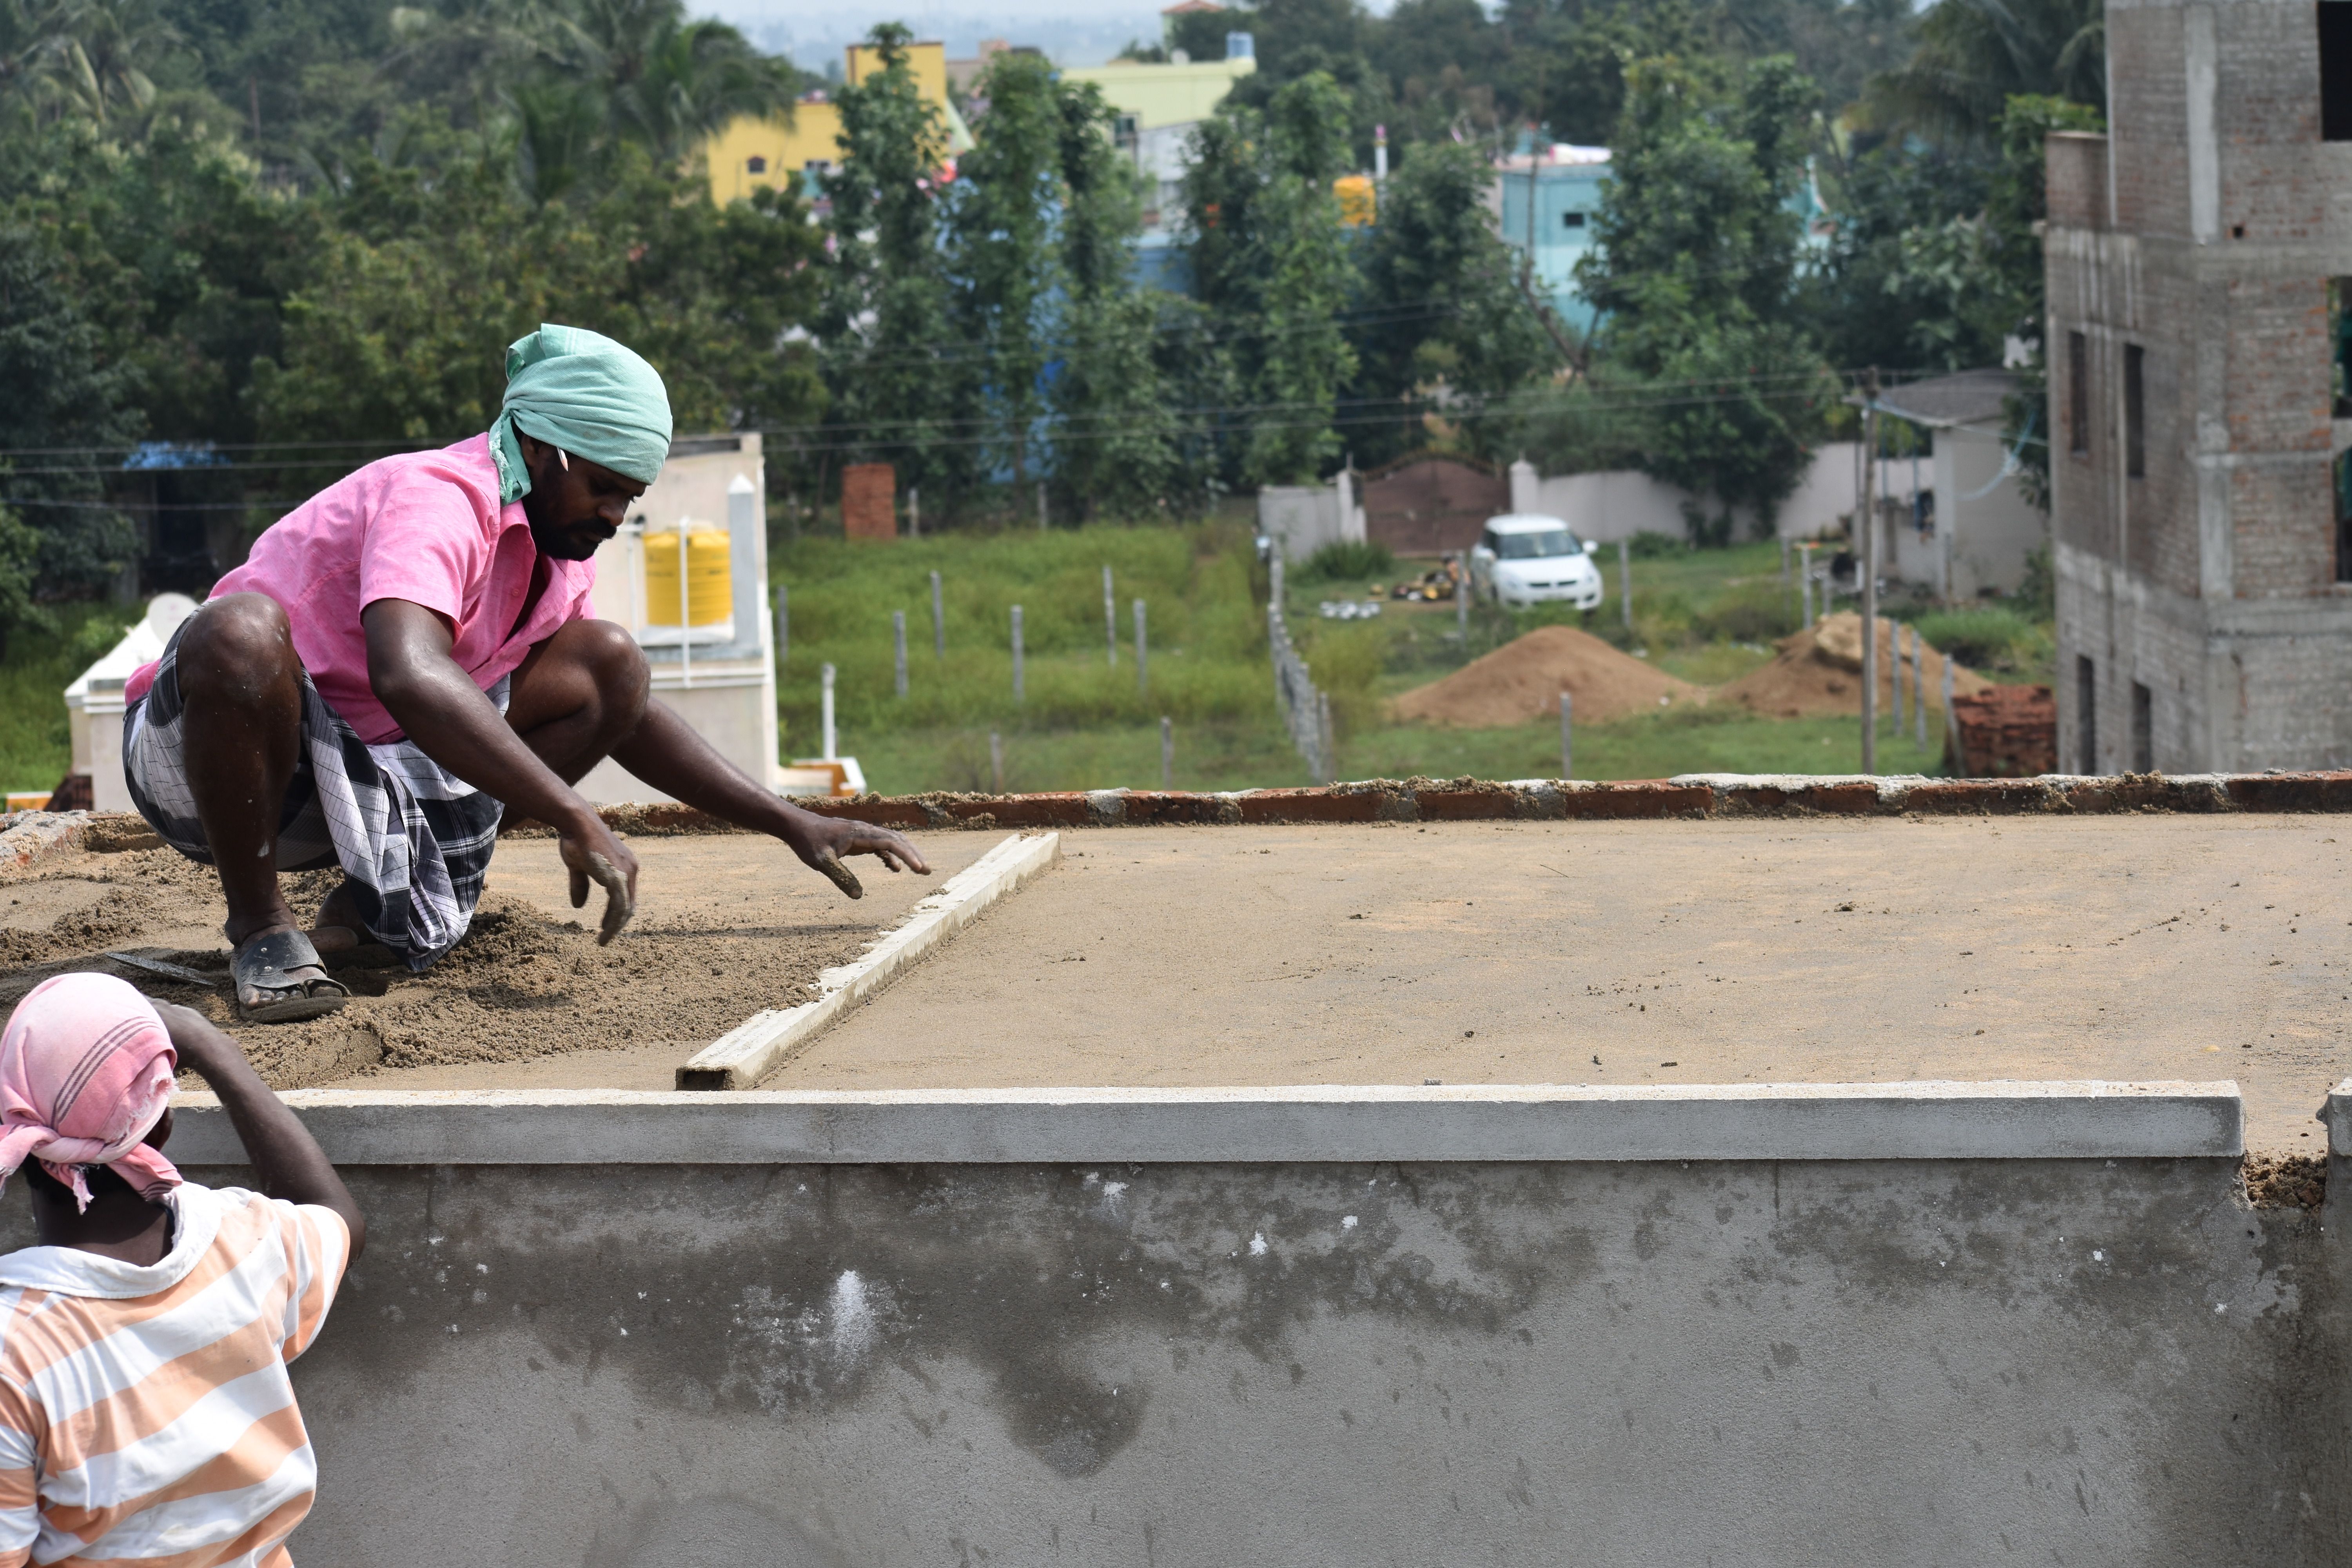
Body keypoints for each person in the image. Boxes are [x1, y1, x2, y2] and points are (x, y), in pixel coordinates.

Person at [120, 324, 929, 1021]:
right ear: (540, 447)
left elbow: (628, 712)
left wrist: (791, 821)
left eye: (631, 497)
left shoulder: (557, 549)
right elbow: (406, 671)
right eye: (604, 487)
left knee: (610, 663)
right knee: (237, 629)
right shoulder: (441, 495)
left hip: (364, 781)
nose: (616, 517)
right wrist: (573, 812)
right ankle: (263, 930)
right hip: (214, 765)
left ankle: (370, 912)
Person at [0, 973, 364, 1566]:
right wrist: (215, 1050)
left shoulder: (15, 1349)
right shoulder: (243, 1240)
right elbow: (340, 1219)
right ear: (162, 1128)